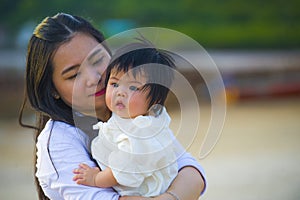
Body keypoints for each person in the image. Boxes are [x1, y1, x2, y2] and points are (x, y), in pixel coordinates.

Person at [19, 12, 206, 200]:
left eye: (97, 60)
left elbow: (191, 172)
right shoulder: (60, 141)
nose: (95, 78)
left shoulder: (133, 116)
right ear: (53, 90)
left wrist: (169, 197)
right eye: (74, 75)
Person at [73, 42, 180, 197]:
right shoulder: (129, 116)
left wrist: (96, 178)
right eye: (115, 84)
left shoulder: (142, 129)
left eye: (133, 88)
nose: (120, 92)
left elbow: (123, 169)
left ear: (155, 99)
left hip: (145, 192)